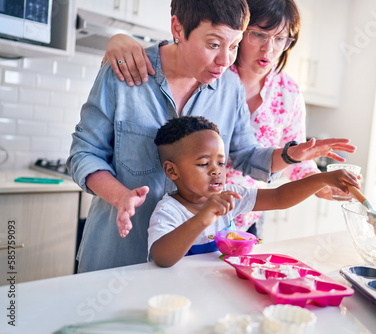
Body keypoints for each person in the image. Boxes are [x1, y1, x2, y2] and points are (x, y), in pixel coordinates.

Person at [68, 0, 356, 273]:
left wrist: (290, 155)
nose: (225, 60)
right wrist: (121, 197)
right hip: (117, 254)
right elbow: (84, 154)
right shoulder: (125, 69)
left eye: (233, 45)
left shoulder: (230, 87)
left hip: (192, 268)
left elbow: (244, 154)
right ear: (178, 29)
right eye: (214, 44)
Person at [148, 116, 359, 267]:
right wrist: (204, 217)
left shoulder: (229, 194)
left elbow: (278, 197)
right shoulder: (169, 210)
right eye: (204, 164)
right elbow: (162, 258)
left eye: (221, 163)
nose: (216, 171)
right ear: (172, 170)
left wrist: (322, 178)